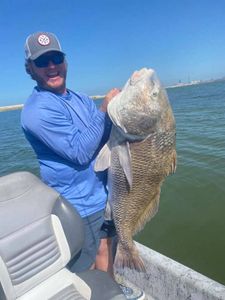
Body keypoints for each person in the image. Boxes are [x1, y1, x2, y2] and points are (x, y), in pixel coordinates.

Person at [21, 32, 145, 300]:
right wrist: (104, 111)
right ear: (30, 68)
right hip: (78, 204)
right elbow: (79, 152)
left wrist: (124, 107)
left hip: (104, 193)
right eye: (43, 62)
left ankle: (110, 290)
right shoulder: (36, 111)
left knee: (106, 246)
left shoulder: (79, 97)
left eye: (56, 58)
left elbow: (103, 132)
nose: (52, 66)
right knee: (86, 264)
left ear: (65, 62)